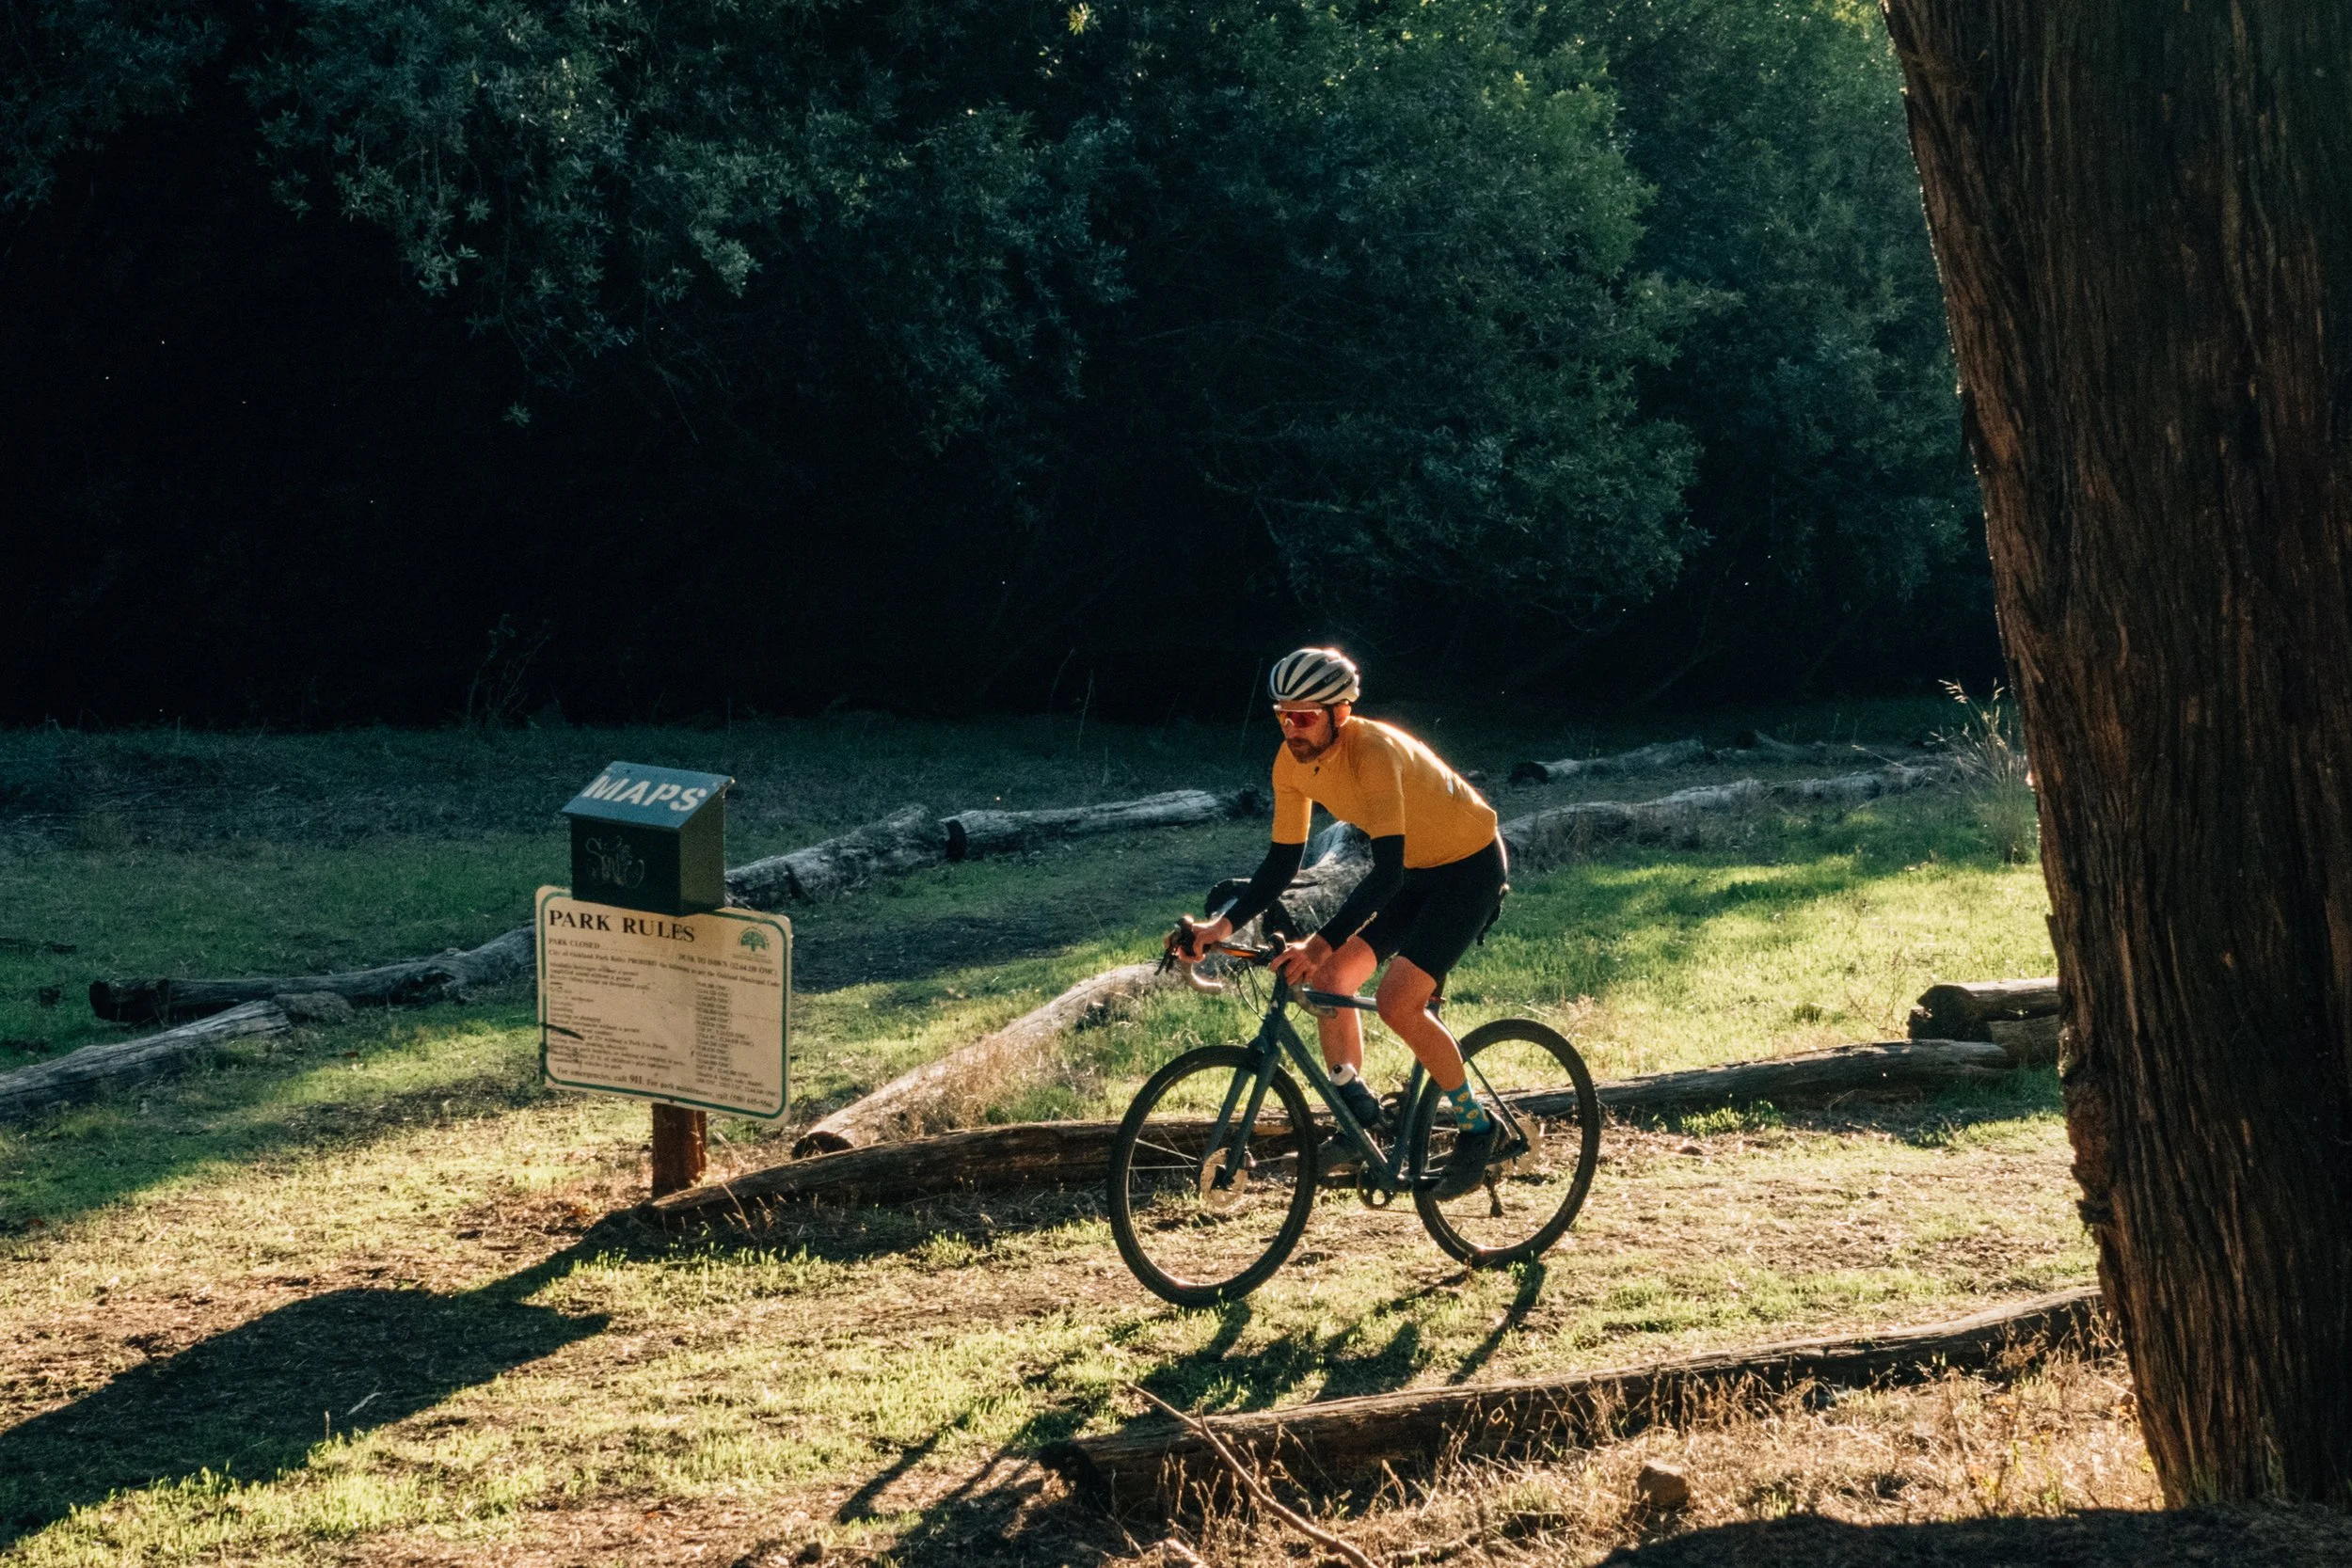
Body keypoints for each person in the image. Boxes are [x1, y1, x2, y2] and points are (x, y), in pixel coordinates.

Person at [1171, 646, 1508, 1198]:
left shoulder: (1372, 752)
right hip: (1416, 872)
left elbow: (1386, 873)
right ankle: (1359, 1119)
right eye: (1283, 716)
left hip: (1468, 870)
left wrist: (1320, 942)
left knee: (1399, 1003)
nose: (1291, 729)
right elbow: (1282, 862)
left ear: (1340, 712)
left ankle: (1478, 1128)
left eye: (1304, 717)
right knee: (1330, 984)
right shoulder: (1290, 763)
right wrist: (1221, 927)